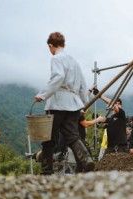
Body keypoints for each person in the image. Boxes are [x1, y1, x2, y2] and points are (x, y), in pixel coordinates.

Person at [34, 32, 94, 174]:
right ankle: (86, 160)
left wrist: (42, 95)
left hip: (58, 104)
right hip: (73, 104)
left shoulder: (56, 59)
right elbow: (83, 85)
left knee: (48, 138)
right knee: (73, 136)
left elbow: (58, 77)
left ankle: (47, 171)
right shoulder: (74, 61)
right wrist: (84, 103)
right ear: (64, 44)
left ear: (50, 46)